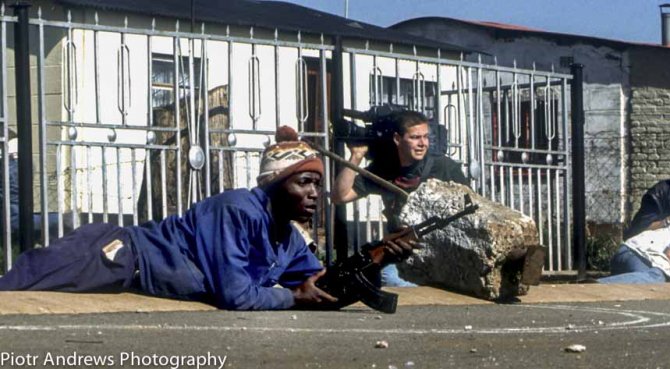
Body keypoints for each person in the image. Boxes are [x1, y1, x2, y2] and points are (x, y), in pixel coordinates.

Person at [0, 126, 415, 311]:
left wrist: (377, 258)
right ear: (274, 184)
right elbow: (236, 295)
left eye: (317, 184)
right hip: (114, 254)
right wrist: (291, 296)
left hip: (127, 272)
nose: (314, 193)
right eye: (303, 182)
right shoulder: (237, 210)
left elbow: (322, 290)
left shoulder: (286, 239)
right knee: (12, 289)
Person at [333, 110, 468, 287]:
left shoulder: (444, 167)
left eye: (426, 137)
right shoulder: (384, 168)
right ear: (397, 139)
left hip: (441, 252)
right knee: (377, 276)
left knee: (391, 280)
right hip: (401, 253)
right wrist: (355, 157)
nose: (422, 144)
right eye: (415, 137)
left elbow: (468, 208)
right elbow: (340, 196)